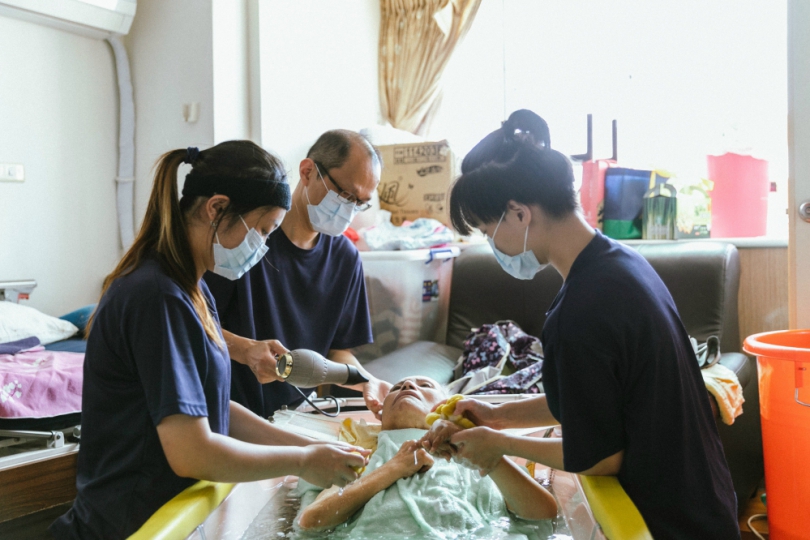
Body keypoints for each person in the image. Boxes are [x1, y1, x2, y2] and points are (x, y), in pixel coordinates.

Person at [424, 110, 740, 540]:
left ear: (518, 213)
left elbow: (600, 459)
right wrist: (495, 416)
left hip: (666, 520)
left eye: (485, 230)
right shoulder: (617, 264)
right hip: (704, 498)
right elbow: (589, 400)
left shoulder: (583, 311)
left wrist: (499, 446)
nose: (491, 245)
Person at [51, 142, 367, 540]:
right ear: (216, 208)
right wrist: (302, 461)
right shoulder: (157, 297)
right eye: (262, 230)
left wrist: (311, 447)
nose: (263, 247)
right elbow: (192, 452)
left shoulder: (194, 289)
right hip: (128, 525)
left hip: (174, 516)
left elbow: (214, 408)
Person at [205, 130, 391, 419]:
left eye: (360, 202)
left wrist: (366, 381)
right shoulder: (246, 241)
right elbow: (192, 321)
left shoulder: (346, 259)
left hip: (296, 416)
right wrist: (245, 349)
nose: (350, 210)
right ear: (308, 172)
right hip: (229, 411)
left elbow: (337, 352)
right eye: (346, 195)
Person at [296, 376, 557, 539]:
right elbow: (312, 520)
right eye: (396, 388)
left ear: (449, 407)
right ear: (381, 415)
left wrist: (493, 457)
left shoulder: (481, 451)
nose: (407, 386)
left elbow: (542, 514)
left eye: (425, 386)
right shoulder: (358, 458)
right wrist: (394, 468)